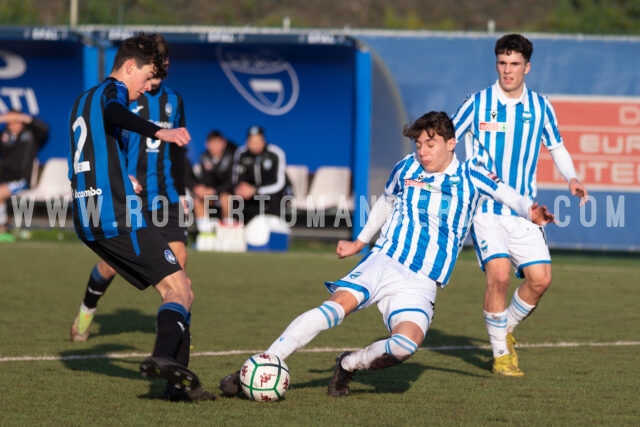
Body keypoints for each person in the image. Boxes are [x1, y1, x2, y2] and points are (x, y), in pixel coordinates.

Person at [219, 111, 554, 398]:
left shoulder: (472, 174)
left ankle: (348, 363)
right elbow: (387, 202)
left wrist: (531, 210)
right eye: (419, 144)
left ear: (451, 143)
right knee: (332, 311)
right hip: (384, 261)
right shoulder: (406, 167)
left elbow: (509, 194)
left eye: (430, 143)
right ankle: (254, 366)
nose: (422, 151)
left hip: (421, 281)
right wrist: (360, 242)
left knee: (405, 346)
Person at [67, 33, 214, 401]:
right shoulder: (110, 93)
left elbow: (88, 158)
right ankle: (165, 361)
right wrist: (158, 131)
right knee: (178, 289)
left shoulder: (81, 102)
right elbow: (115, 111)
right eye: (146, 77)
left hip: (88, 215)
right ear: (129, 66)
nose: (147, 88)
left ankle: (178, 386)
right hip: (117, 212)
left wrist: (119, 175)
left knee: (180, 284)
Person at [451, 33, 589, 377]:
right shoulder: (477, 103)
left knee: (540, 280)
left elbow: (556, 146)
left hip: (525, 212)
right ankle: (501, 356)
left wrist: (571, 177)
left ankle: (505, 330)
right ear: (496, 64)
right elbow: (448, 140)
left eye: (514, 64)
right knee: (497, 275)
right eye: (502, 63)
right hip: (486, 211)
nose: (507, 70)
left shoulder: (540, 106)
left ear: (527, 66)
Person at [0, 109, 49, 241]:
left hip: (21, 179)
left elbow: (44, 128)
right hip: (3, 179)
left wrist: (24, 118)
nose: (13, 125)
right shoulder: (4, 136)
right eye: (10, 122)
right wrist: (3, 119)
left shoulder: (32, 136)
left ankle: (3, 229)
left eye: (16, 121)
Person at [231, 125, 290, 224]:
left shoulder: (275, 153)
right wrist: (241, 189)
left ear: (264, 140)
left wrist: (256, 190)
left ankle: (273, 231)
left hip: (272, 192)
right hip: (250, 193)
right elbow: (235, 178)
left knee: (275, 198)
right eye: (252, 142)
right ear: (247, 142)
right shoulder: (241, 153)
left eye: (259, 141)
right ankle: (239, 233)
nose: (256, 145)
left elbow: (279, 184)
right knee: (236, 198)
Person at [189, 130, 238, 229]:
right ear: (207, 144)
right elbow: (205, 180)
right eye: (212, 143)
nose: (215, 146)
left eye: (218, 143)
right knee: (197, 199)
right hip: (212, 195)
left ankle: (227, 231)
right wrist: (203, 189)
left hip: (229, 193)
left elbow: (232, 182)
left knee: (225, 198)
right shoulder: (204, 157)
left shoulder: (233, 156)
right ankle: (205, 232)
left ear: (224, 143)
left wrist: (215, 190)